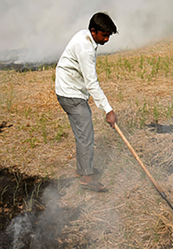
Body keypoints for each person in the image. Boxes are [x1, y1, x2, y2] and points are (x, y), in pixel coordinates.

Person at [55, 12, 117, 192]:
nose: (106, 39)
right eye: (104, 35)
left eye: (109, 36)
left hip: (69, 89)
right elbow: (92, 83)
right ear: (93, 31)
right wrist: (108, 110)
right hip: (70, 94)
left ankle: (83, 169)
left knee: (82, 133)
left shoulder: (86, 36)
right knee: (86, 135)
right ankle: (86, 178)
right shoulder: (85, 48)